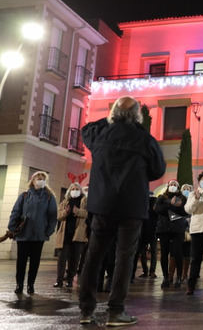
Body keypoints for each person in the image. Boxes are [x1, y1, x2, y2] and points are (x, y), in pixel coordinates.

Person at [79, 96, 166, 326]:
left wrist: (112, 119)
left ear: (113, 114)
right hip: (131, 206)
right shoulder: (144, 139)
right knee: (124, 258)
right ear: (137, 115)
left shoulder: (100, 134)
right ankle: (116, 312)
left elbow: (87, 128)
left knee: (94, 255)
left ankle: (86, 310)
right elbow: (158, 170)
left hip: (103, 205)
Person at [8, 171, 57, 295]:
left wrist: (48, 231)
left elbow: (52, 216)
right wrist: (12, 228)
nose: (40, 181)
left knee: (34, 263)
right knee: (21, 262)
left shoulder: (49, 197)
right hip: (23, 234)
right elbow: (15, 212)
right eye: (38, 178)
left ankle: (31, 285)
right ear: (32, 181)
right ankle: (19, 285)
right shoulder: (24, 196)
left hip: (39, 236)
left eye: (42, 179)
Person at [154, 179, 188, 289]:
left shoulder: (182, 198)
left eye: (175, 185)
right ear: (168, 186)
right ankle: (166, 277)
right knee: (164, 254)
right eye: (171, 184)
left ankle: (178, 277)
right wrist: (171, 204)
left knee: (178, 253)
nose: (173, 186)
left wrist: (171, 208)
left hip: (177, 229)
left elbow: (184, 212)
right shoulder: (161, 197)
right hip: (164, 229)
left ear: (178, 188)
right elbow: (157, 209)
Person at [54, 182, 88, 288]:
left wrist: (78, 212)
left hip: (78, 235)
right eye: (72, 189)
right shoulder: (65, 202)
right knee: (61, 259)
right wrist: (66, 212)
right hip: (65, 235)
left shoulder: (85, 201)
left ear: (80, 190)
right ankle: (59, 280)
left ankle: (69, 280)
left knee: (74, 260)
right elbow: (58, 216)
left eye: (76, 189)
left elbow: (88, 213)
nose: (74, 191)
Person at [133, 192, 158, 280]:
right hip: (148, 231)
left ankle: (148, 271)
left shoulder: (147, 203)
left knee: (145, 252)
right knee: (151, 252)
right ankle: (150, 271)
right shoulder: (154, 203)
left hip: (146, 231)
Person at [180, 184, 193, 284]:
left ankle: (185, 274)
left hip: (190, 231)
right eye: (184, 189)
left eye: (188, 189)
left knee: (187, 253)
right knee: (177, 253)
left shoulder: (193, 200)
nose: (186, 191)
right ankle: (177, 274)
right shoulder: (178, 200)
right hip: (179, 230)